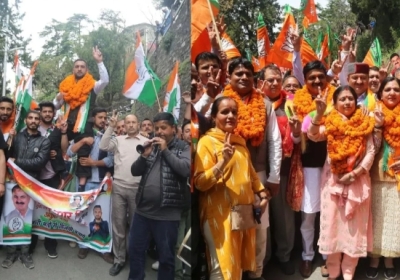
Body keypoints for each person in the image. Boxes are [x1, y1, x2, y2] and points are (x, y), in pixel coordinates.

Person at [194, 96, 271, 280]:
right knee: (222, 269)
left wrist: (262, 193)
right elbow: (200, 182)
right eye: (224, 112)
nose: (230, 116)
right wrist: (223, 161)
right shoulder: (207, 142)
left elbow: (251, 176)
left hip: (243, 214)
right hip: (219, 216)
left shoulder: (240, 144)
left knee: (237, 268)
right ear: (213, 117)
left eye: (234, 112)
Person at [308, 85, 375, 280]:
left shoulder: (364, 122)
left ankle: (348, 273)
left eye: (350, 98)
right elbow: (312, 134)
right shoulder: (330, 122)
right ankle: (333, 270)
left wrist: (355, 173)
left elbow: (370, 151)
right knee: (333, 226)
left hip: (358, 182)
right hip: (333, 182)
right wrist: (319, 113)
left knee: (354, 229)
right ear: (335, 103)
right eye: (342, 99)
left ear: (356, 102)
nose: (347, 102)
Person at [129, 112, 190, 280]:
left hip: (167, 215)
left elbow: (185, 170)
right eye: (157, 128)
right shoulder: (152, 147)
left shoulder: (183, 147)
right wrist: (144, 156)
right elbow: (135, 171)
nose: (159, 132)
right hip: (142, 212)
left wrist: (165, 151)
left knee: (166, 258)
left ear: (173, 129)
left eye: (163, 128)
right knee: (135, 251)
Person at [53, 46, 109, 193]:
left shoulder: (92, 85)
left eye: (82, 67)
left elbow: (105, 80)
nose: (79, 69)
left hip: (84, 126)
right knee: (52, 142)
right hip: (66, 124)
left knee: (85, 147)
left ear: (86, 69)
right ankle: (62, 174)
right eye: (77, 66)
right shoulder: (65, 86)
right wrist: (58, 99)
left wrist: (99, 62)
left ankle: (82, 185)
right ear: (73, 69)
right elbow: (55, 105)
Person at [99, 111, 148, 276]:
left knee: (135, 227)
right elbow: (103, 146)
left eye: (134, 122)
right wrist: (111, 127)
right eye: (128, 122)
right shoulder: (118, 140)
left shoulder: (146, 142)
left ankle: (135, 260)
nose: (131, 125)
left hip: (138, 189)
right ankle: (119, 259)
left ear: (138, 124)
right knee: (118, 225)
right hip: (119, 187)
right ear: (124, 125)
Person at [258, 64, 296, 275]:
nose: (274, 83)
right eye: (269, 80)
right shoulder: (254, 105)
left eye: (277, 79)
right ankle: (264, 259)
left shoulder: (290, 105)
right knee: (262, 217)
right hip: (258, 169)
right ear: (261, 83)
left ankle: (284, 255)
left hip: (283, 169)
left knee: (283, 217)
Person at [3, 110, 51, 269]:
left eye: (36, 118)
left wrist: (17, 161)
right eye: (30, 117)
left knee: (27, 219)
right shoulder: (16, 137)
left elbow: (39, 162)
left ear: (39, 122)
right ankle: (10, 253)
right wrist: (9, 138)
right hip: (13, 183)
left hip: (31, 184)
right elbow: (6, 157)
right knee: (11, 217)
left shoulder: (44, 141)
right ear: (26, 119)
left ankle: (25, 253)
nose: (33, 120)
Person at [66, 107, 113, 262]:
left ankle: (103, 248)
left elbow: (111, 160)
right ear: (93, 118)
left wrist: (94, 162)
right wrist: (83, 141)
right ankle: (83, 246)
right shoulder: (83, 134)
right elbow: (69, 152)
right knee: (84, 214)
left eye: (105, 117)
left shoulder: (110, 135)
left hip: (102, 182)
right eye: (100, 117)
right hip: (84, 184)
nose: (103, 120)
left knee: (104, 215)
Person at [367, 77, 400, 280]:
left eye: (396, 89)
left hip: (397, 177)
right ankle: (374, 258)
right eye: (387, 89)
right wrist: (378, 126)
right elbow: (371, 148)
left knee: (393, 219)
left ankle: (389, 259)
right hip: (376, 174)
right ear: (380, 93)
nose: (392, 93)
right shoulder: (373, 113)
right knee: (376, 218)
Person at [28, 101, 69, 259]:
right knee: (34, 212)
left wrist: (64, 133)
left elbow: (64, 150)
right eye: (44, 111)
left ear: (53, 114)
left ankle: (51, 245)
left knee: (52, 212)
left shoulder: (57, 129)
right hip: (35, 177)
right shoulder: (33, 128)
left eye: (49, 112)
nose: (46, 114)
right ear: (40, 113)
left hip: (53, 176)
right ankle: (31, 245)